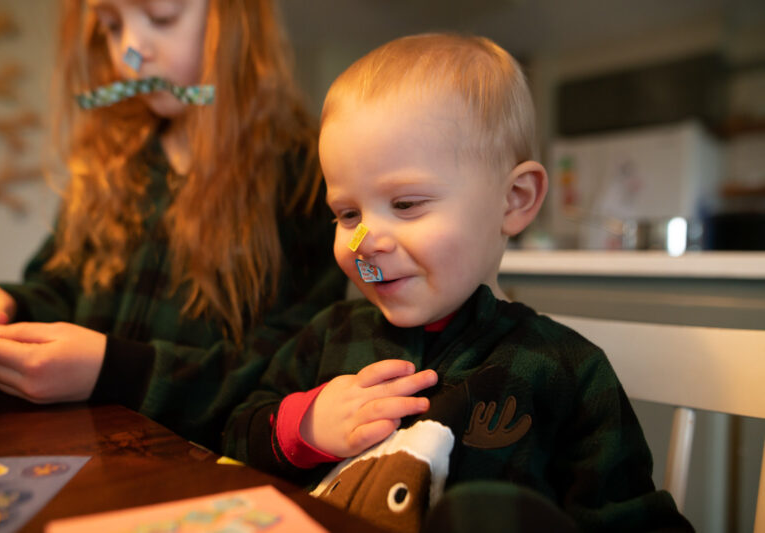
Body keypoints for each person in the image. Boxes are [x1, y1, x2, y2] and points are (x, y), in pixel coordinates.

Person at [225, 34, 693, 532]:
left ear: (513, 200)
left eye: (405, 205)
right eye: (347, 214)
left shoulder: (566, 371)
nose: (365, 241)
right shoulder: (330, 336)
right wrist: (306, 426)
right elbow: (235, 433)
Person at [0, 0, 346, 449]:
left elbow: (284, 370)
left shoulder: (305, 177)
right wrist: (11, 307)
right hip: (88, 459)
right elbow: (62, 288)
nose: (131, 51)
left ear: (237, 18)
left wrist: (119, 371)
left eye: (161, 18)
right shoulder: (111, 166)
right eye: (110, 27)